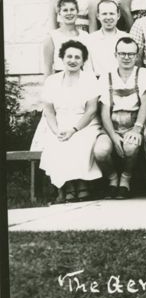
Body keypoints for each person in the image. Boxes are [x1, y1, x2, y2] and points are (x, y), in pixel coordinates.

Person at [93, 37, 146, 198]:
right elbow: (104, 110)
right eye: (122, 53)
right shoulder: (106, 76)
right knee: (100, 151)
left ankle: (126, 178)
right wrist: (112, 136)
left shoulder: (144, 73)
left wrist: (137, 128)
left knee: (130, 147)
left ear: (137, 56)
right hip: (111, 124)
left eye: (131, 54)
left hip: (135, 122)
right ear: (115, 55)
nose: (126, 57)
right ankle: (112, 178)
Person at [34, 40, 102, 203]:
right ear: (62, 59)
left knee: (79, 141)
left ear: (83, 60)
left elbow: (91, 110)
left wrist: (74, 129)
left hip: (85, 123)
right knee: (57, 142)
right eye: (69, 56)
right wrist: (56, 130)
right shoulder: (52, 81)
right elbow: (49, 111)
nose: (73, 60)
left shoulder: (90, 79)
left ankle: (82, 184)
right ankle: (69, 185)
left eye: (77, 57)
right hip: (58, 123)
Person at [42, 0, 84, 76]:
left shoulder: (84, 36)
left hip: (81, 80)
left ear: (77, 12)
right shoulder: (52, 37)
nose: (69, 13)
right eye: (65, 10)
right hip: (60, 81)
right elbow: (47, 69)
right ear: (59, 14)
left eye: (72, 9)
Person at [85, 0, 126, 77]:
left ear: (118, 15)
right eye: (104, 14)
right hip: (98, 83)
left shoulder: (126, 38)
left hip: (121, 82)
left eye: (111, 13)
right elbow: (88, 69)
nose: (108, 17)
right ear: (98, 16)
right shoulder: (90, 39)